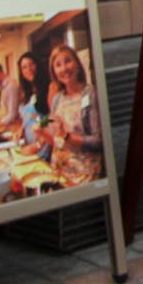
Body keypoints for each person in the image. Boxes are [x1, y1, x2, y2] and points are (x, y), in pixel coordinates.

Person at [40, 43, 104, 185]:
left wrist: (68, 136)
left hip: (84, 177)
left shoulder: (90, 94)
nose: (64, 68)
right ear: (54, 72)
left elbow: (99, 141)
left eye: (68, 61)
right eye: (58, 65)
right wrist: (41, 133)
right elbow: (56, 139)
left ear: (77, 64)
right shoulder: (57, 98)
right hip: (60, 174)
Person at [0, 61, 21, 131]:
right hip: (8, 129)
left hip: (14, 129)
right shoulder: (3, 87)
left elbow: (12, 115)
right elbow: (3, 112)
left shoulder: (11, 86)